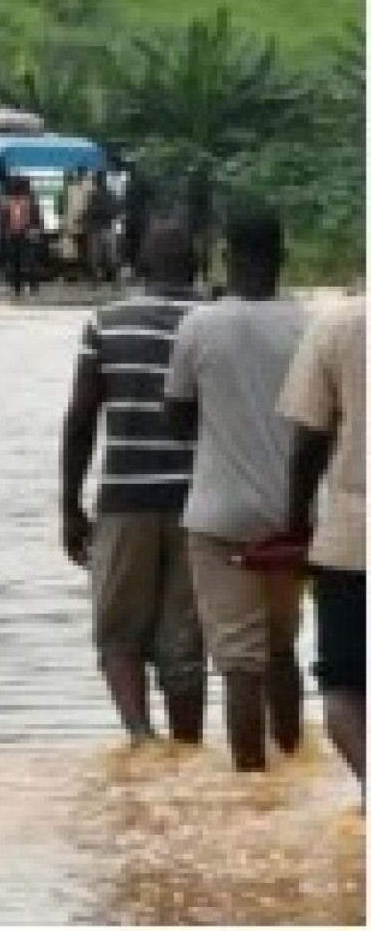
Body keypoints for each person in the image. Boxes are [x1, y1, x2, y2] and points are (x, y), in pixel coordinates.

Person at [163, 206, 309, 772]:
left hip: (219, 518)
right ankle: (292, 758)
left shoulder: (200, 326)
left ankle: (251, 787)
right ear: (283, 257)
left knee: (239, 663)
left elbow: (175, 416)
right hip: (292, 517)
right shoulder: (308, 326)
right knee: (280, 650)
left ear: (226, 256)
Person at [62, 222, 207, 745]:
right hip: (199, 503)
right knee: (185, 643)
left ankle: (143, 742)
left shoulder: (107, 322)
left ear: (141, 266)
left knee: (118, 633)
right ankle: (188, 751)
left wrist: (70, 507)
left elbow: (81, 419)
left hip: (124, 498)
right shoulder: (212, 323)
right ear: (198, 266)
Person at [279, 300, 365, 797]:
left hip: (353, 541)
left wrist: (295, 528)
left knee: (343, 685)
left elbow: (307, 445)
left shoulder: (337, 326)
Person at [1, 177, 40, 298]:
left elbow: (35, 218)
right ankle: (21, 287)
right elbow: (5, 218)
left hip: (24, 234)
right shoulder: (13, 201)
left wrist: (33, 229)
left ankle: (29, 286)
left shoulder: (26, 201)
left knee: (26, 262)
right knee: (19, 262)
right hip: (16, 234)